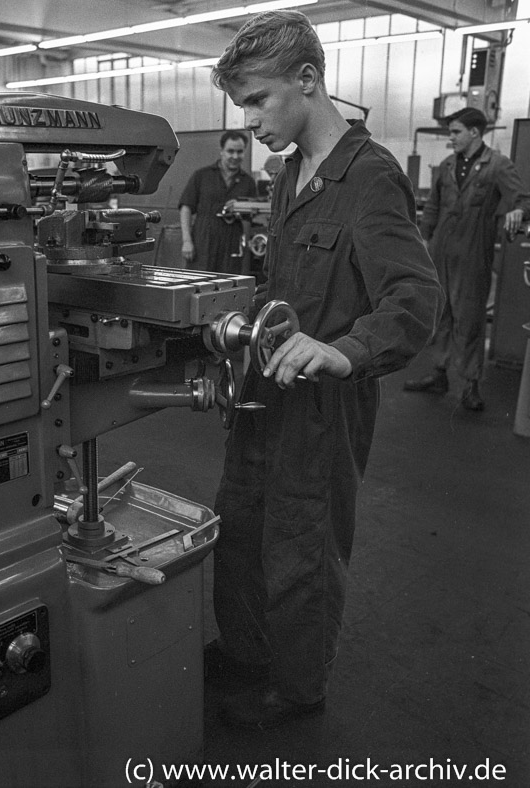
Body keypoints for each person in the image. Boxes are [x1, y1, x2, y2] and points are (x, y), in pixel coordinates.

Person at [205, 10, 444, 730]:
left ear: (307, 80)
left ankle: (298, 687)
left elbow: (414, 297)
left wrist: (346, 350)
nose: (249, 121)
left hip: (322, 401)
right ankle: (248, 651)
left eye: (257, 100)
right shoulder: (288, 174)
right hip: (265, 386)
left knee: (302, 542)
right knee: (242, 521)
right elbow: (283, 280)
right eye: (241, 104)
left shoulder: (368, 177)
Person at [403, 107, 530, 411]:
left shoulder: (498, 166)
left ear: (475, 132)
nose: (452, 137)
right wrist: (422, 239)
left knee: (470, 319)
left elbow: (522, 199)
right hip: (440, 253)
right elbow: (432, 208)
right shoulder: (447, 166)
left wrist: (518, 211)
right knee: (441, 315)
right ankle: (439, 373)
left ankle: (471, 384)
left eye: (456, 131)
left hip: (474, 254)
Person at [179, 130, 257, 273]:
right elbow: (186, 207)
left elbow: (251, 219)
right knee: (198, 285)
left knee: (227, 287)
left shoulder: (248, 182)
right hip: (202, 242)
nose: (235, 156)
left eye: (239, 152)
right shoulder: (202, 176)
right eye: (230, 151)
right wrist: (187, 241)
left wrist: (241, 208)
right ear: (221, 151)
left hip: (232, 245)